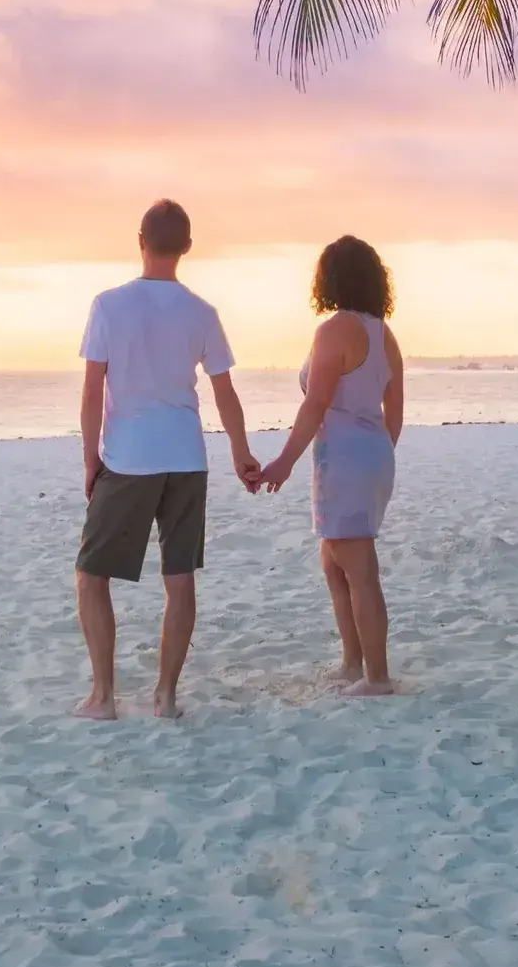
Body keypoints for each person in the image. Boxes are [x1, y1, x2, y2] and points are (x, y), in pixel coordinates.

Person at [72, 199, 256, 721]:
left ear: (140, 240)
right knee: (179, 580)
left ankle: (103, 697)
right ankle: (166, 696)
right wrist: (241, 453)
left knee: (91, 576)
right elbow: (224, 393)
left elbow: (91, 393)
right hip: (185, 456)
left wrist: (90, 458)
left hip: (128, 458)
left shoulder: (109, 305)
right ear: (188, 248)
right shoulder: (202, 312)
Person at [256, 235, 407, 697]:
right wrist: (378, 450)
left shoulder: (334, 330)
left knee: (358, 568)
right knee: (333, 561)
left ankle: (376, 677)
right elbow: (394, 407)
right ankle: (352, 660)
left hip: (343, 458)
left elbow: (316, 404)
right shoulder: (384, 334)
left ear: (329, 279)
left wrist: (282, 462)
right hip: (370, 454)